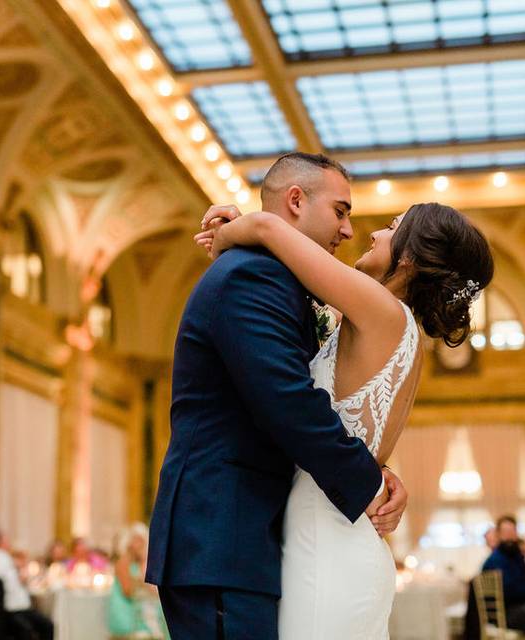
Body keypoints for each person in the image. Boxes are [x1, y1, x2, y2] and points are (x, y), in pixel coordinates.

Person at [187, 154, 496, 637]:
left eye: (392, 227)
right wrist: (380, 476)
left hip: (325, 544)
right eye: (345, 213)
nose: (369, 233)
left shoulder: (380, 310)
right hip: (344, 538)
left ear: (411, 258)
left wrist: (230, 233)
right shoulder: (393, 327)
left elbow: (269, 229)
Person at [147, 152, 415, 640]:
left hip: (247, 539)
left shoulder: (276, 278)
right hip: (223, 537)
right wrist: (369, 483)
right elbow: (289, 403)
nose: (349, 230)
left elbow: (317, 397)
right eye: (341, 210)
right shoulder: (253, 276)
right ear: (295, 200)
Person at [0, 531, 53, 640]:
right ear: (0, 543)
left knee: (46, 624)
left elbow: (14, 579)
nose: (9, 543)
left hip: (19, 608)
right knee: (35, 628)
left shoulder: (3, 558)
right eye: (6, 540)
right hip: (10, 610)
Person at [108, 523, 166, 639]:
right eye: (136, 540)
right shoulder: (123, 562)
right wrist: (141, 583)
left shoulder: (140, 562)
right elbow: (128, 591)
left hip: (141, 604)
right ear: (129, 542)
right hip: (126, 608)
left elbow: (153, 590)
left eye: (142, 541)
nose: (139, 545)